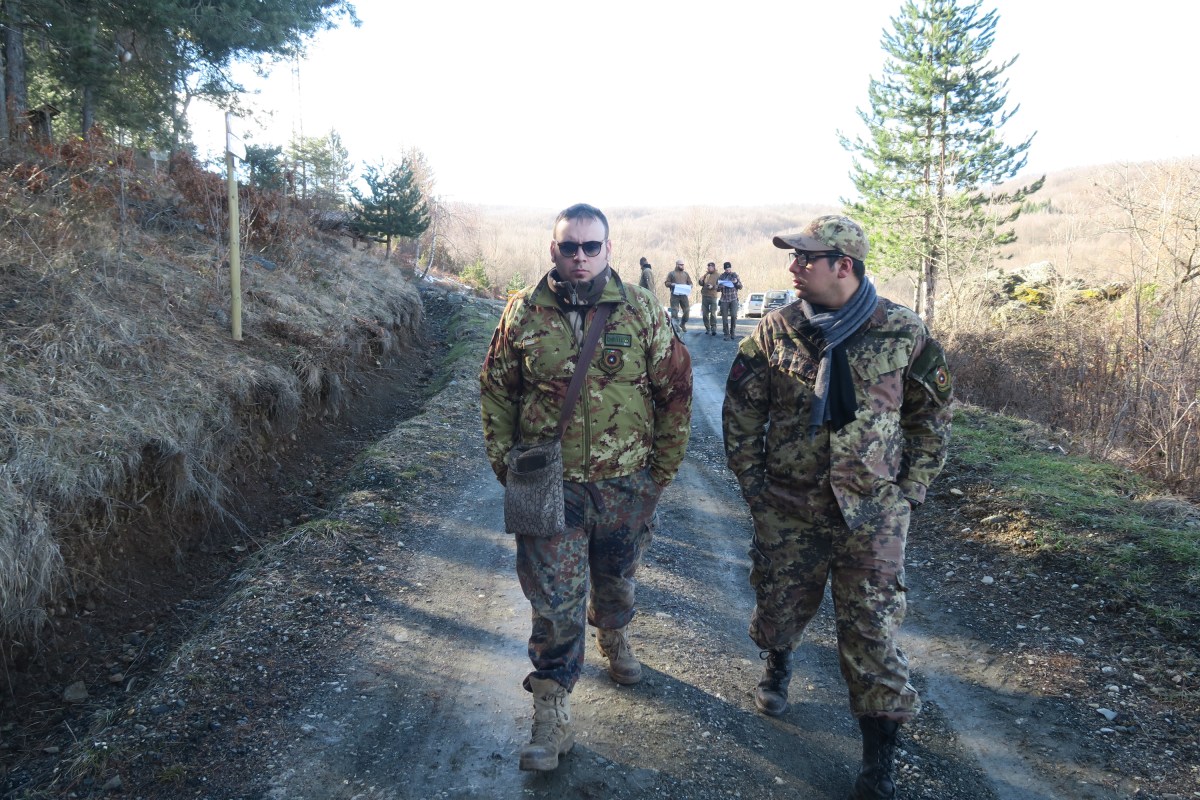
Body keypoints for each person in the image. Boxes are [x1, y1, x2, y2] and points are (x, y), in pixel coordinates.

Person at [721, 215, 952, 800]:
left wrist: (911, 489)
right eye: (794, 257)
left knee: (873, 632)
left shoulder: (903, 330)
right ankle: (778, 660)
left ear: (843, 265)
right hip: (788, 507)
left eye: (806, 258)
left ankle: (878, 761)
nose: (793, 267)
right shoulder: (777, 330)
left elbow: (931, 415)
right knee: (779, 607)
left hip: (872, 514)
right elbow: (742, 409)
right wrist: (754, 486)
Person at [480, 203, 693, 773]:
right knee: (553, 601)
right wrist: (508, 467)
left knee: (616, 577)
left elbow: (675, 389)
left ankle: (614, 632)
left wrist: (660, 472)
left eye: (591, 246)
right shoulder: (523, 312)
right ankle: (551, 711)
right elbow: (497, 389)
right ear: (554, 249)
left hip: (626, 483)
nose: (580, 256)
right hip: (550, 485)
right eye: (569, 247)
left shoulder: (641, 310)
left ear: (608, 249)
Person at [717, 261, 743, 340]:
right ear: (724, 269)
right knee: (724, 318)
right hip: (724, 299)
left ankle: (733, 332)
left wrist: (736, 282)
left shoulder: (735, 275)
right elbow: (717, 288)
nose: (728, 270)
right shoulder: (721, 276)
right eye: (726, 269)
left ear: (731, 268)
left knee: (734, 315)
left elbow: (740, 287)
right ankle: (726, 334)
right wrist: (720, 286)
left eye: (729, 269)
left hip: (733, 298)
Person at [664, 259, 693, 331]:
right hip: (675, 295)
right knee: (674, 311)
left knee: (687, 310)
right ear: (677, 265)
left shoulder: (685, 274)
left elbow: (690, 283)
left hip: (684, 295)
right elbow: (666, 283)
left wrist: (690, 286)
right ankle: (676, 327)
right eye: (681, 265)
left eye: (683, 265)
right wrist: (671, 284)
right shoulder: (672, 273)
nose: (682, 266)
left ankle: (682, 324)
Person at [699, 261, 721, 335]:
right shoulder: (706, 274)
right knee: (705, 314)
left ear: (714, 267)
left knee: (713, 313)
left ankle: (713, 328)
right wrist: (701, 280)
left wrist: (713, 287)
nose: (709, 268)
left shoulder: (718, 275)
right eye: (708, 267)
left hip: (713, 296)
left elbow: (720, 287)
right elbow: (702, 284)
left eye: (710, 267)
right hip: (705, 296)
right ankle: (707, 328)